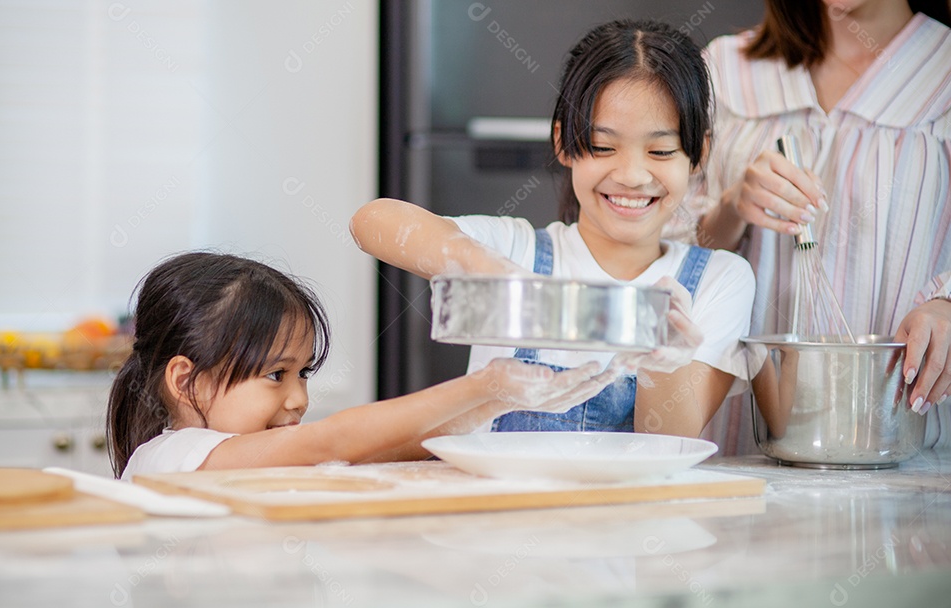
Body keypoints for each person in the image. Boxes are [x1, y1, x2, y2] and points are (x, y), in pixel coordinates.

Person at [351, 20, 756, 439]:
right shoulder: (519, 250)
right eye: (603, 146)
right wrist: (491, 269)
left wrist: (662, 367)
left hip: (629, 506)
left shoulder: (718, 280)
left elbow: (669, 440)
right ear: (564, 143)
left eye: (660, 150)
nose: (633, 175)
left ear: (698, 154)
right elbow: (372, 222)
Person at [675, 0, 951, 452]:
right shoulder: (725, 72)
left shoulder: (941, 77)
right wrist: (730, 208)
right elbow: (652, 258)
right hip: (734, 447)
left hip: (900, 448)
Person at [107, 252, 622, 479]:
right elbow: (333, 440)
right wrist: (486, 383)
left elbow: (386, 446)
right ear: (186, 380)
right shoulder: (173, 458)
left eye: (303, 373)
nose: (298, 399)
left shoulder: (245, 455)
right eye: (275, 374)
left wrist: (498, 401)